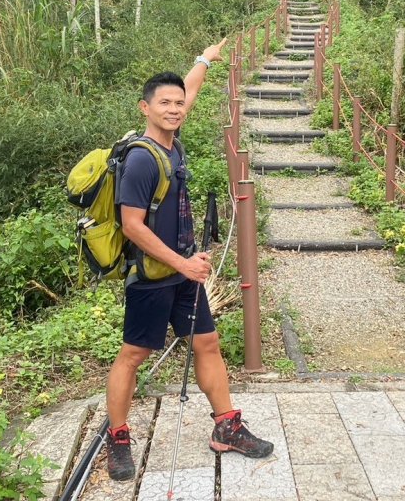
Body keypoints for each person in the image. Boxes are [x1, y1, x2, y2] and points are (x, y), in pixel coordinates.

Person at [105, 39, 274, 481]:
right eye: (165, 103)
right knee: (134, 353)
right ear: (145, 108)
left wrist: (204, 58)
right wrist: (182, 265)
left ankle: (227, 426)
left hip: (184, 271)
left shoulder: (173, 142)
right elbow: (132, 227)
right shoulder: (142, 160)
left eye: (179, 103)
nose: (176, 108)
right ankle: (118, 436)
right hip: (153, 275)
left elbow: (190, 91)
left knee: (207, 343)